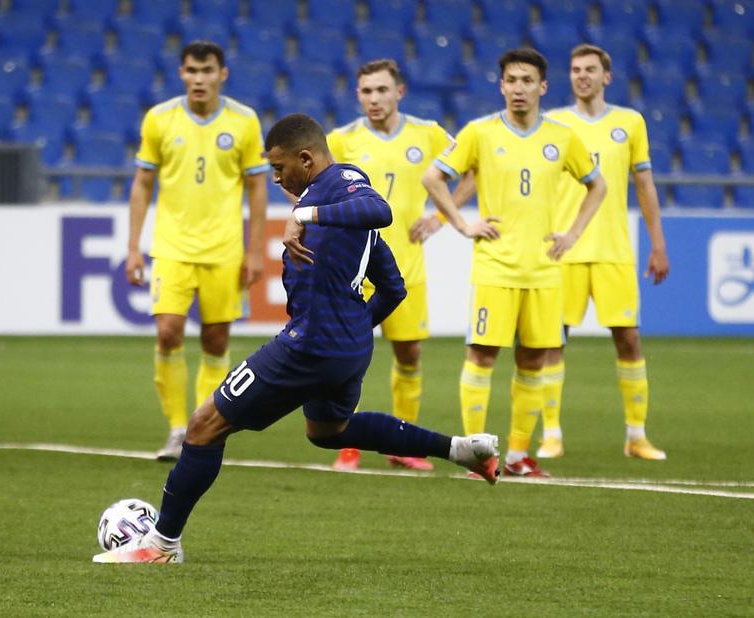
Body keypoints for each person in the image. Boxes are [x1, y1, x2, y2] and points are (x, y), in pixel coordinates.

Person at [95, 113, 500, 564]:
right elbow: (394, 287)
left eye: (279, 167)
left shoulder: (339, 187)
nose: (275, 177)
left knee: (204, 425)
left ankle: (162, 544)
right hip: (347, 348)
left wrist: (304, 214)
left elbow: (380, 210)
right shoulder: (339, 213)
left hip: (309, 345)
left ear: (305, 159)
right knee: (330, 431)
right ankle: (460, 449)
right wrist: (350, 332)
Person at [421, 48, 607, 478]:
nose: (518, 88)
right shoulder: (480, 132)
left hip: (543, 269)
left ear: (542, 87)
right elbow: (434, 177)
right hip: (496, 268)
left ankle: (519, 454)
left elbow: (597, 186)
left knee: (534, 361)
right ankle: (475, 453)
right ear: (501, 85)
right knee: (482, 355)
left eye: (527, 81)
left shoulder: (562, 137)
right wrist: (462, 225)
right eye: (511, 80)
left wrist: (574, 233)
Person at [326, 59, 474, 472]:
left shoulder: (426, 134)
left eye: (381, 90)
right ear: (358, 95)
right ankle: (346, 443)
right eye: (367, 92)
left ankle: (402, 447)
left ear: (399, 92)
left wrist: (440, 217)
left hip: (406, 268)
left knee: (409, 355)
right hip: (352, 271)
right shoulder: (342, 139)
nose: (374, 99)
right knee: (345, 359)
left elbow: (474, 169)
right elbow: (311, 186)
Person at [125, 41, 269, 461]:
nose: (199, 78)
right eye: (191, 70)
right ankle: (176, 428)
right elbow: (141, 183)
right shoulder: (160, 119)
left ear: (222, 74)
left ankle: (202, 428)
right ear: (181, 73)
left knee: (215, 338)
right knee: (168, 330)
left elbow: (258, 187)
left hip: (224, 248)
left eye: (207, 70)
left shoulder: (244, 121)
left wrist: (255, 250)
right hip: (171, 247)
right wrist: (133, 247)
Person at [538, 44, 670, 460]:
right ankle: (551, 435)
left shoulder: (630, 122)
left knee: (629, 340)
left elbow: (644, 185)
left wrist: (658, 243)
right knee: (552, 343)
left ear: (606, 76)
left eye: (590, 69)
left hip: (614, 248)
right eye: (575, 69)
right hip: (564, 248)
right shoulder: (554, 122)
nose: (582, 76)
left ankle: (636, 436)